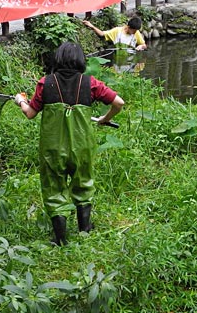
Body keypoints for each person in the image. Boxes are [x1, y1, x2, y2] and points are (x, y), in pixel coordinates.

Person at [13, 41, 124, 245]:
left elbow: (30, 113)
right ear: (81, 60)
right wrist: (104, 119)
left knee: (54, 188)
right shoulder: (90, 83)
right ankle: (85, 229)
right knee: (83, 184)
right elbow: (119, 103)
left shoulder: (45, 83)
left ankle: (60, 238)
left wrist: (20, 100)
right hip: (82, 147)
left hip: (52, 148)